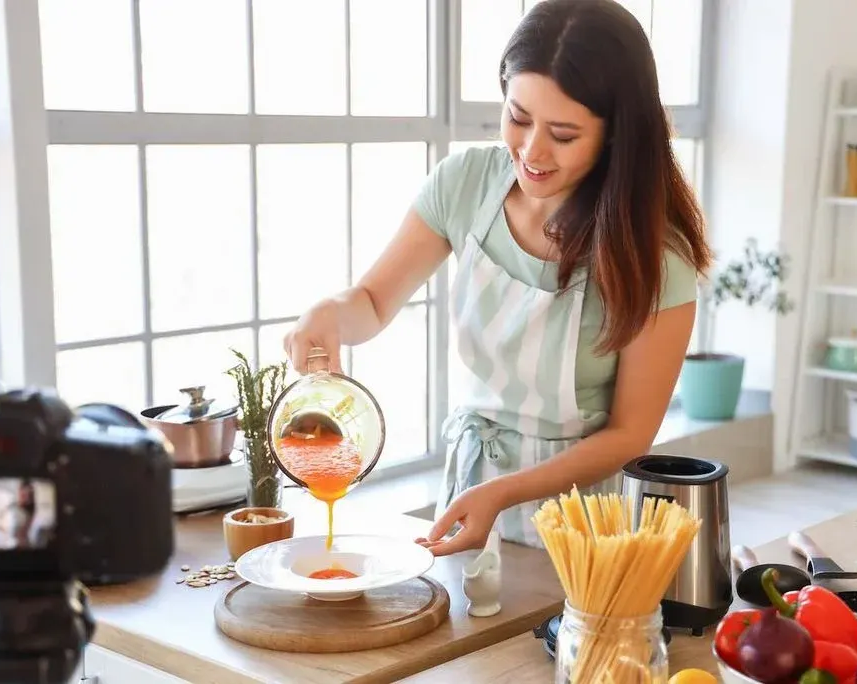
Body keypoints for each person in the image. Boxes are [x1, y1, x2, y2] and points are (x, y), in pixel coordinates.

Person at [284, 0, 711, 557]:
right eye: (518, 117)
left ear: (615, 134)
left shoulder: (655, 255)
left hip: (581, 518)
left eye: (563, 134)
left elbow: (630, 435)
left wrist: (505, 493)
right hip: (470, 497)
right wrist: (330, 313)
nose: (531, 151)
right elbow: (370, 301)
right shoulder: (465, 184)